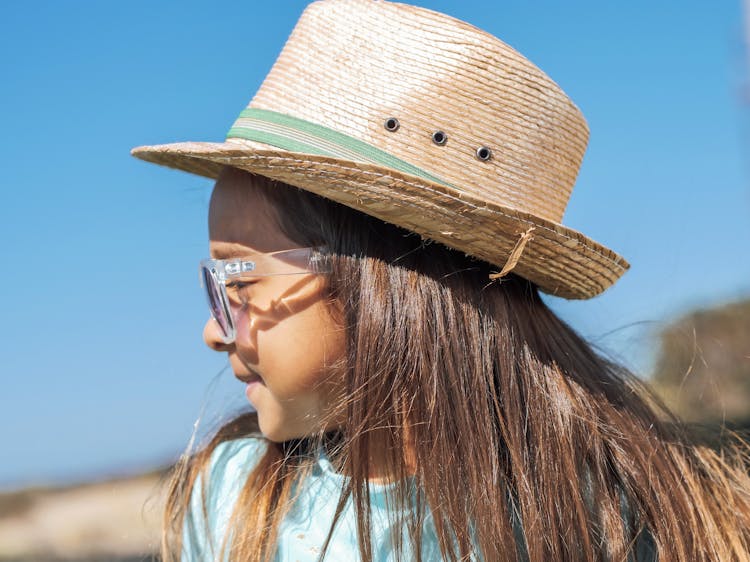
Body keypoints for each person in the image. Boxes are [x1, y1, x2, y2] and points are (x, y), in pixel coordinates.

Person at [131, 1, 750, 560]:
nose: (215, 330)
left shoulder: (605, 516)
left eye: (236, 285)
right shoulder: (234, 503)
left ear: (382, 281)